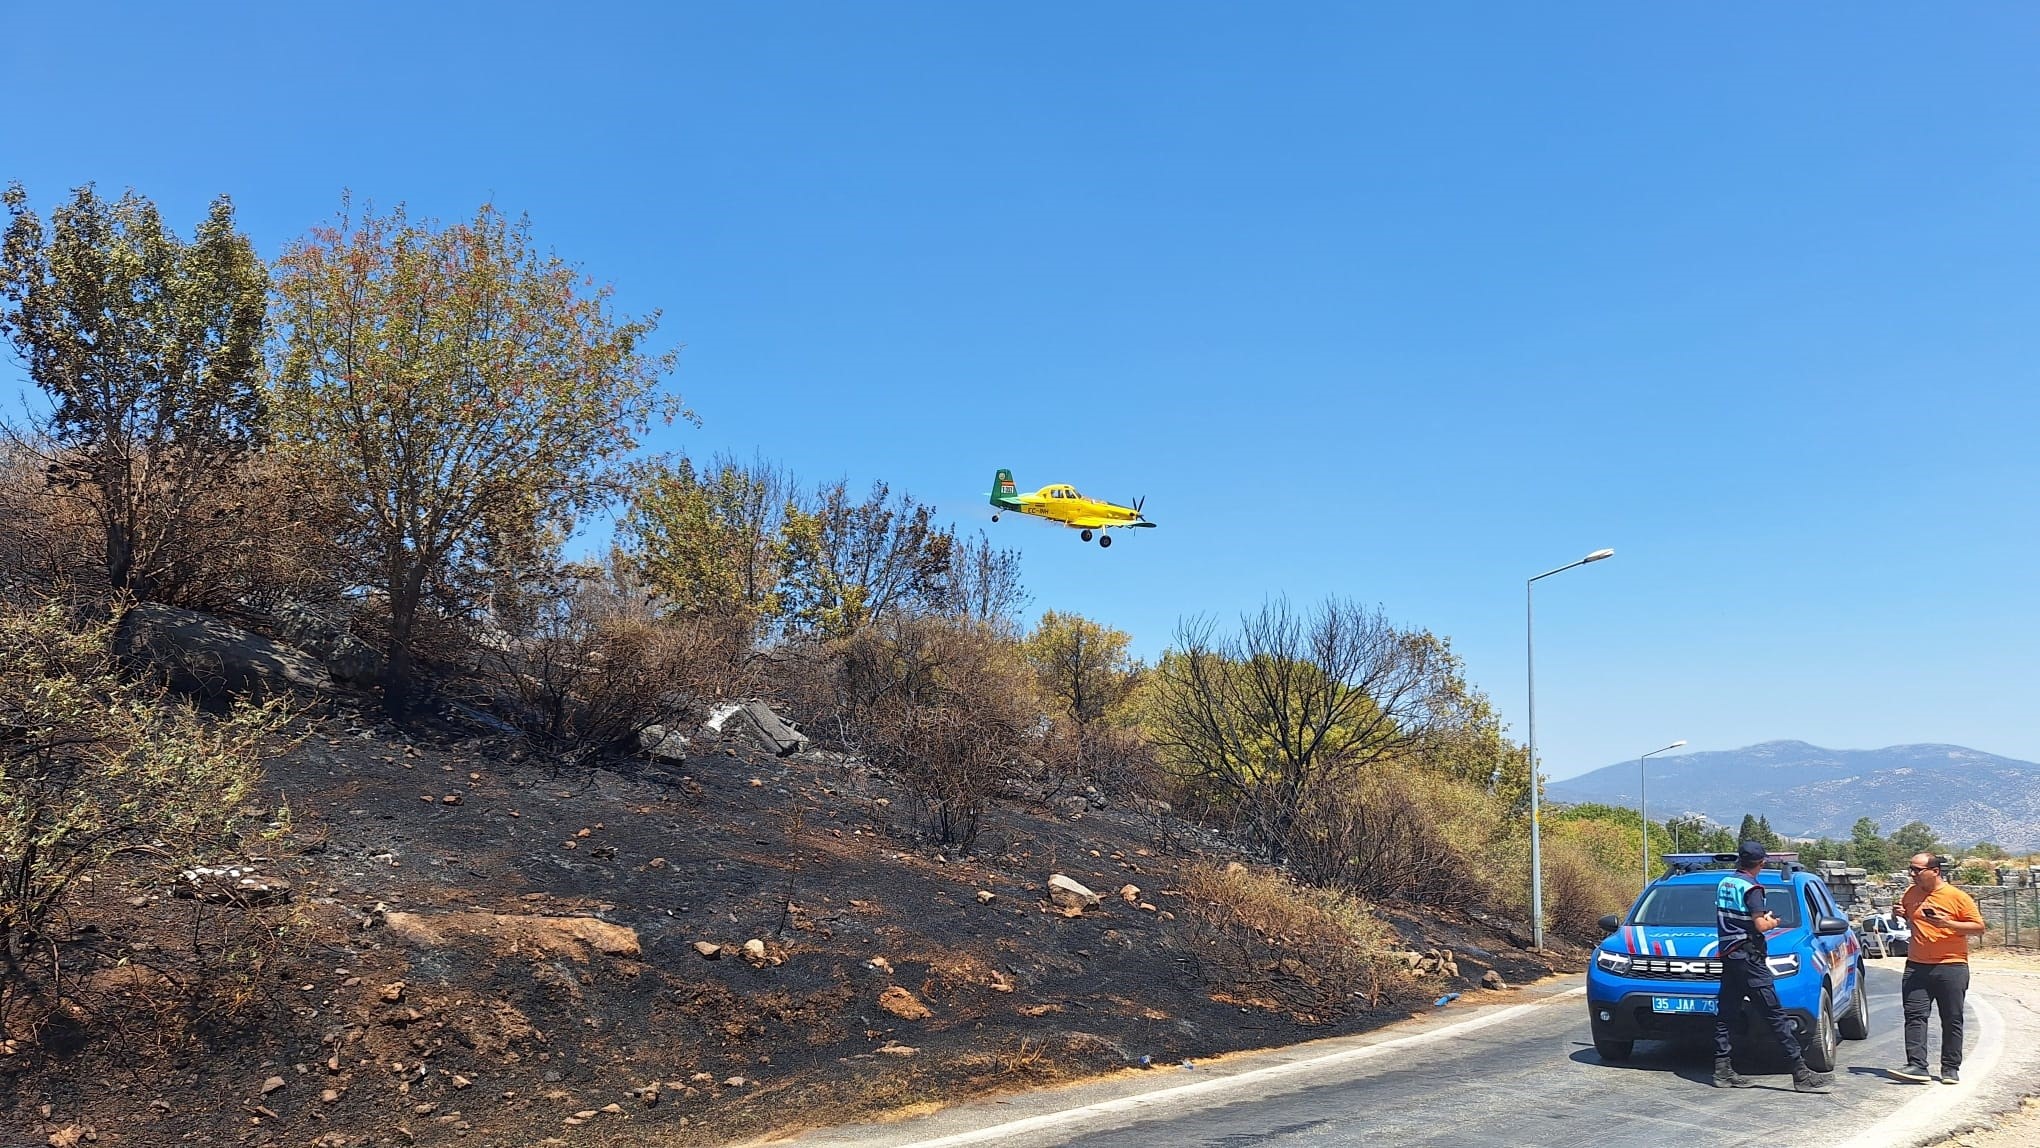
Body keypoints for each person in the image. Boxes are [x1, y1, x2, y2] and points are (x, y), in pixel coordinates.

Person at [1713, 841, 1834, 1092]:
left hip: (1729, 955)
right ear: (1761, 863)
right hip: (1749, 958)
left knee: (1726, 1013)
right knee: (1775, 1014)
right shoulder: (1752, 888)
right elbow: (1759, 924)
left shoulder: (1726, 883)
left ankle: (1722, 1070)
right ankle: (1800, 1073)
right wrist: (1773, 921)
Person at [1891, 853, 1985, 1084]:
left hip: (1951, 965)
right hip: (1916, 966)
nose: (1912, 874)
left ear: (1935, 871)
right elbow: (1913, 920)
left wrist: (1948, 923)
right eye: (1910, 869)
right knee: (1914, 1016)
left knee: (1952, 1017)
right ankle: (1917, 1066)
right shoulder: (1910, 894)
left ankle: (1950, 1068)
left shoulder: (1957, 897)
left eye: (1917, 870)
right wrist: (1901, 915)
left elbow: (1979, 927)